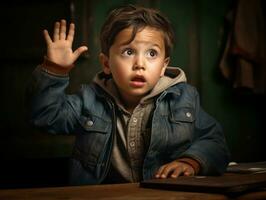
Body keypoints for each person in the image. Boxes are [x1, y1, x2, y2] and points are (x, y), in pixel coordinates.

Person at [26, 5, 230, 185]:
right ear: (106, 63)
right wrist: (55, 70)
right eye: (128, 52)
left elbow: (214, 141)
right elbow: (46, 117)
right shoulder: (88, 100)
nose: (140, 64)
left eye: (152, 54)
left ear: (163, 66)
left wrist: (191, 162)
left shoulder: (183, 98)